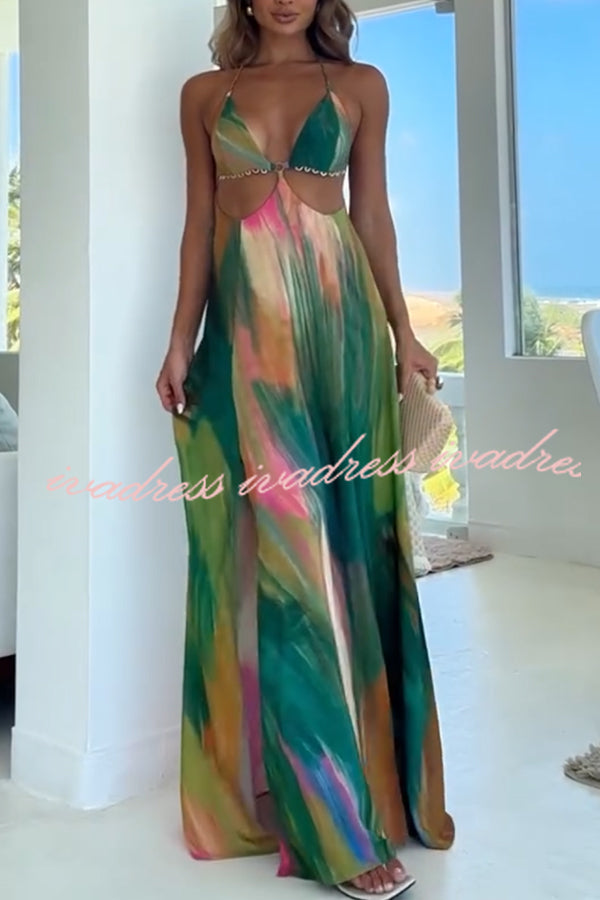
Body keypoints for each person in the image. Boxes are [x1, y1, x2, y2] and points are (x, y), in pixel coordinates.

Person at [156, 1, 455, 897]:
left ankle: (375, 788)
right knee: (290, 572)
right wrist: (180, 340)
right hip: (253, 346)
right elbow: (201, 226)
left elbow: (374, 219)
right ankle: (336, 828)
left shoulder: (361, 85)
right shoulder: (204, 94)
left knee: (356, 555)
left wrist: (403, 331)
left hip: (342, 331)